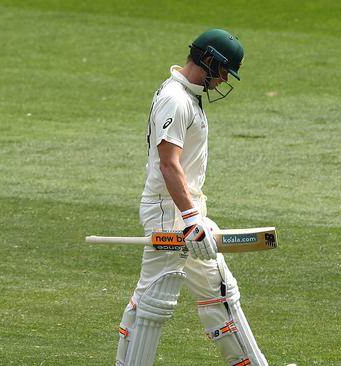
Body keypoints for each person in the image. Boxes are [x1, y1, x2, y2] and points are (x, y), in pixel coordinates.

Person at [116, 29, 268, 366]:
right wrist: (189, 218)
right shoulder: (175, 98)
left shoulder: (189, 95)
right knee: (154, 298)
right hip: (168, 209)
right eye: (225, 69)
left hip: (187, 209)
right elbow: (168, 164)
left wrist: (194, 216)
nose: (225, 78)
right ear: (209, 60)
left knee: (220, 291)